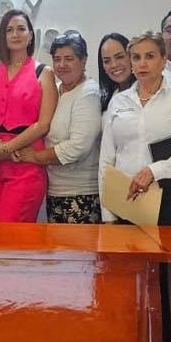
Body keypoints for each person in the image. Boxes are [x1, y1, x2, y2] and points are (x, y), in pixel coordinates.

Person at [99, 32, 171, 225]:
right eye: (136, 57)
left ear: (163, 59)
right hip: (126, 199)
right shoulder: (118, 102)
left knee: (169, 246)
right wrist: (108, 215)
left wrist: (153, 171)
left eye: (149, 56)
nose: (142, 63)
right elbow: (106, 161)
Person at [0, 10, 57, 223]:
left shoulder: (44, 72)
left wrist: (9, 148)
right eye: (9, 30)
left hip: (25, 160)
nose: (15, 34)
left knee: (11, 230)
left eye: (21, 29)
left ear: (30, 35)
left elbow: (43, 124)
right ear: (2, 36)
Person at [17, 31, 101, 223]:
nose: (62, 65)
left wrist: (35, 157)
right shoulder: (54, 89)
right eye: (57, 59)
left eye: (69, 59)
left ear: (83, 61)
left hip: (81, 194)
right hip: (55, 190)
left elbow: (77, 147)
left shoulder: (88, 93)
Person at [97, 32, 135, 114]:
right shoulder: (105, 100)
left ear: (132, 57)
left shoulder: (146, 93)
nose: (114, 65)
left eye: (119, 57)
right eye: (107, 61)